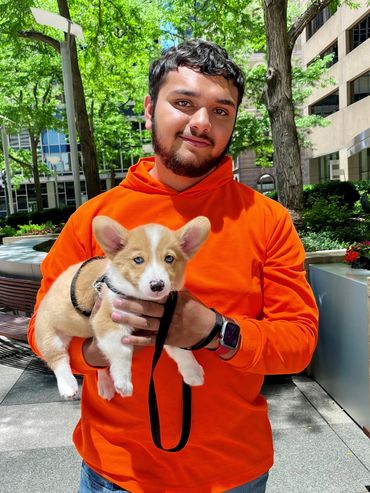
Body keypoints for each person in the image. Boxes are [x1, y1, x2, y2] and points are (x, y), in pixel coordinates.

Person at [28, 39, 318, 493]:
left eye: (221, 111)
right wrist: (93, 354)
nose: (201, 123)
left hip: (232, 474)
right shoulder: (94, 219)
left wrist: (214, 331)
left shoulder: (266, 219)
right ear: (149, 108)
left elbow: (299, 342)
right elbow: (42, 326)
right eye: (183, 103)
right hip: (114, 472)